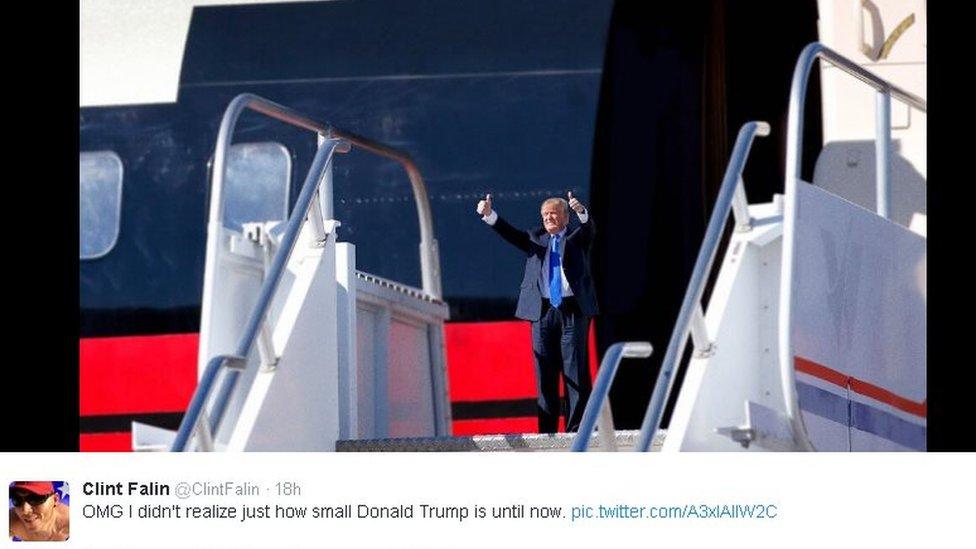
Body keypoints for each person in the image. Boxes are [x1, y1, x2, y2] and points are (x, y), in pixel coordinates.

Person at [477, 191, 598, 433]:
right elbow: (510, 234)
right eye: (545, 215)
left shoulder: (576, 237)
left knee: (575, 373)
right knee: (545, 374)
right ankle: (548, 434)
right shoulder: (535, 238)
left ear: (565, 216)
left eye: (553, 213)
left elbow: (589, 229)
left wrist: (582, 213)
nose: (548, 218)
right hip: (542, 313)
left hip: (571, 310)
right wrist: (490, 215)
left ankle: (577, 432)